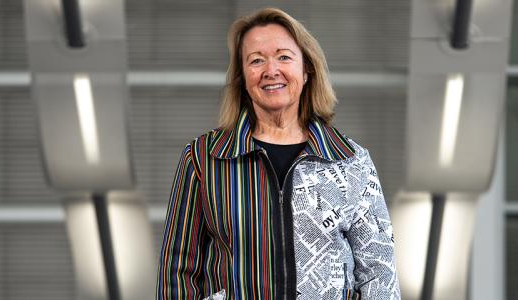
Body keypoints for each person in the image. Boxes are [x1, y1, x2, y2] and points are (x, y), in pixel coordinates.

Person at [157, 7, 400, 300]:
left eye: (284, 56)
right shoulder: (204, 159)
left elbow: (379, 272)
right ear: (242, 77)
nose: (271, 71)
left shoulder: (350, 160)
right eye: (256, 60)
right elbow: (178, 270)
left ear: (307, 69)